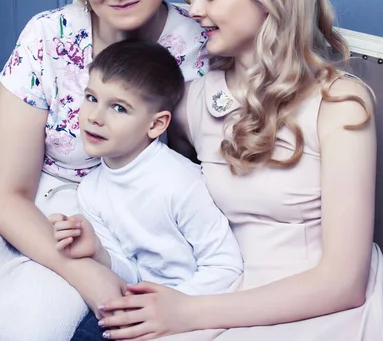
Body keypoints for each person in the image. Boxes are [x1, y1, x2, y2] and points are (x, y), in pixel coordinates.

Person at [93, 0, 383, 341]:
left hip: (330, 308)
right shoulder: (192, 101)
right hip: (228, 292)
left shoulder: (340, 103)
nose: (195, 9)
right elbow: (121, 152)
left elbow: (344, 283)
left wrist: (191, 312)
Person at [0, 0, 208, 341]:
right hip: (32, 207)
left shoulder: (196, 42)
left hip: (119, 224)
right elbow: (8, 191)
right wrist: (86, 275)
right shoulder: (48, 37)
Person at [50, 38, 242, 296]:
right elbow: (132, 274)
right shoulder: (90, 191)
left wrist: (172, 307)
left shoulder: (181, 182)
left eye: (118, 107)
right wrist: (97, 251)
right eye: (91, 97)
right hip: (142, 307)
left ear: (156, 125)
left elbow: (226, 267)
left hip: (195, 307)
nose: (95, 117)